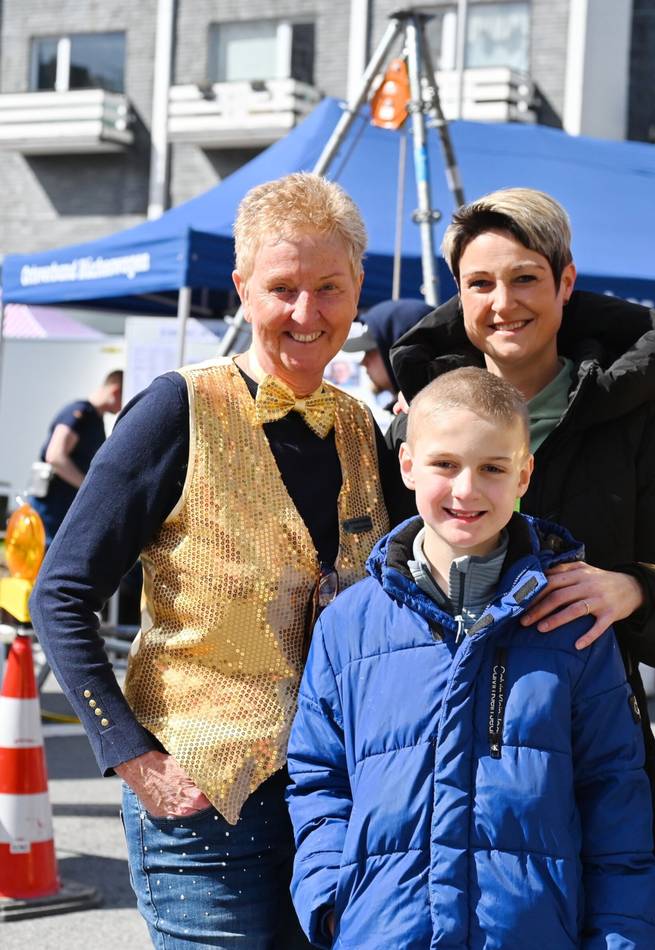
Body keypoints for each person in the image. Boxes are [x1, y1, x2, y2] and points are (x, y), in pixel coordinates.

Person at [29, 172, 411, 947]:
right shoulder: (177, 409)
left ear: (359, 286)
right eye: (282, 289)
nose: (307, 314)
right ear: (242, 288)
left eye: (330, 288)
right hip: (202, 808)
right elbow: (60, 592)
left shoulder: (363, 430)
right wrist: (131, 756)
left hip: (335, 809)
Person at [389, 187, 655, 948]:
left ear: (565, 281)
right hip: (433, 748)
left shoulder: (638, 421)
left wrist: (636, 590)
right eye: (480, 284)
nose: (504, 302)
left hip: (590, 748)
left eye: (525, 278)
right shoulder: (416, 415)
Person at [287, 367, 655, 948]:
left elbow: (614, 794)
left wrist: (619, 937)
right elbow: (318, 777)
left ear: (524, 475)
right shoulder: (348, 623)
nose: (466, 490)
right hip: (382, 931)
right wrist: (330, 899)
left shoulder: (571, 623)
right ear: (407, 465)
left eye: (492, 468)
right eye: (445, 465)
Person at [28, 369, 123, 540]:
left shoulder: (95, 419)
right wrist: (88, 487)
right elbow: (55, 456)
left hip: (64, 507)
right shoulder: (80, 412)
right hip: (52, 508)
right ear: (115, 391)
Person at [342, 297, 433, 404]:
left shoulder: (433, 413)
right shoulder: (421, 410)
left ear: (401, 349)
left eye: (370, 351)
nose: (363, 362)